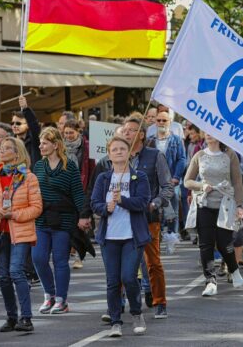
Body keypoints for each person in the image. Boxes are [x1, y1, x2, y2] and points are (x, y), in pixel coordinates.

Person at [0, 137, 42, 332]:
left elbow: (37, 207)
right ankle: (11, 317)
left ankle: (26, 318)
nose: (2, 150)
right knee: (4, 276)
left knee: (16, 272)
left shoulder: (28, 177)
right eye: (1, 147)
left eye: (8, 148)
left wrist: (14, 214)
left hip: (20, 233)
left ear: (17, 153)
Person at [91, 136, 151, 337]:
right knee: (113, 281)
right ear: (109, 155)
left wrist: (122, 200)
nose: (118, 152)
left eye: (122, 149)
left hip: (132, 236)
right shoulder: (103, 178)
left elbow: (142, 202)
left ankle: (136, 314)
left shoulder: (139, 177)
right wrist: (105, 207)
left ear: (129, 153)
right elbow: (95, 204)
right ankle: (115, 321)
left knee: (129, 277)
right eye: (114, 149)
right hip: (109, 237)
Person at [121, 116, 173, 318]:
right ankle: (119, 303)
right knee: (122, 263)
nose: (127, 133)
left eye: (131, 130)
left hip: (148, 216)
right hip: (123, 217)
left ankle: (160, 302)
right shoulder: (118, 155)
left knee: (152, 262)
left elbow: (167, 186)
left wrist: (155, 203)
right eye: (125, 130)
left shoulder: (155, 155)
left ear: (141, 135)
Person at [32, 127, 86, 314]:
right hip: (41, 219)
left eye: (45, 143)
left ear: (55, 145)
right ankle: (49, 295)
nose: (41, 146)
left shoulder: (69, 166)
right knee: (38, 258)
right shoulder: (38, 166)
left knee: (60, 260)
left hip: (64, 219)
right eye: (40, 143)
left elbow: (78, 193)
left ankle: (61, 300)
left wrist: (84, 215)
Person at [184, 133, 243, 296]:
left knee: (224, 243)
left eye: (212, 133)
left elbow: (237, 182)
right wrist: (201, 185)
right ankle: (210, 281)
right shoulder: (199, 155)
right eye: (206, 133)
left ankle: (234, 269)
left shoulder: (230, 155)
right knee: (205, 244)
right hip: (204, 204)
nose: (208, 135)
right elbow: (187, 181)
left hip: (225, 203)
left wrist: (240, 205)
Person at [147, 111, 187, 246]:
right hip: (154, 180)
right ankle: (156, 237)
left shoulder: (176, 139)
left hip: (171, 180)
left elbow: (182, 159)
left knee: (172, 209)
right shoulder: (150, 140)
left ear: (170, 122)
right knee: (156, 208)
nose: (161, 123)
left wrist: (176, 177)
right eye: (159, 120)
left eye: (164, 120)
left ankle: (171, 236)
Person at [63, 119, 95, 192]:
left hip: (81, 187)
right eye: (66, 133)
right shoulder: (60, 147)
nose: (68, 135)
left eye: (71, 132)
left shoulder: (87, 146)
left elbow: (92, 168)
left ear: (78, 131)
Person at [13, 96, 41, 166]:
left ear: (28, 125)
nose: (14, 125)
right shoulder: (10, 142)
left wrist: (26, 108)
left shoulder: (35, 140)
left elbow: (34, 126)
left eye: (18, 123)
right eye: (12, 123)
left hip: (32, 175)